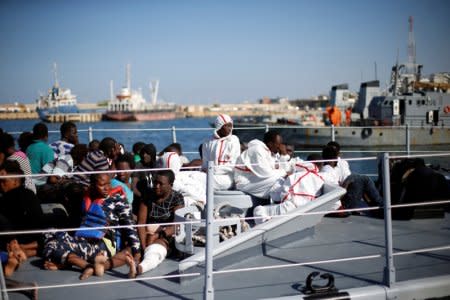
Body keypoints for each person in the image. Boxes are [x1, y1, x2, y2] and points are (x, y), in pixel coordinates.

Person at [42, 173, 141, 280]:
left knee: (53, 248)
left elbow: (129, 227)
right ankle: (86, 266)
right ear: (92, 185)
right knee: (48, 233)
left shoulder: (118, 199)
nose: (106, 188)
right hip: (83, 239)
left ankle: (80, 264)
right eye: (102, 185)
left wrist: (137, 252)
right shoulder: (86, 197)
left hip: (104, 243)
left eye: (108, 184)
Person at [130, 169, 184, 276]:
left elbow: (177, 224)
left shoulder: (177, 198)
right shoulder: (147, 195)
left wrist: (159, 235)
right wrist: (143, 246)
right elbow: (141, 223)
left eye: (161, 184)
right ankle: (103, 265)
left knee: (156, 249)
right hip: (145, 234)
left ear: (170, 185)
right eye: (155, 182)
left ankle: (140, 268)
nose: (156, 186)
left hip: (166, 235)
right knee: (131, 249)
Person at [234, 131, 291, 202]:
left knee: (283, 181)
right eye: (278, 144)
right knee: (278, 180)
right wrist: (284, 174)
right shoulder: (257, 150)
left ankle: (282, 203)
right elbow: (266, 173)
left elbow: (284, 169)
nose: (280, 146)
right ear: (270, 144)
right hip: (244, 183)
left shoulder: (272, 152)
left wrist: (284, 155)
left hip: (256, 179)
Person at [202, 114, 241, 190]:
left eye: (231, 126)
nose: (230, 129)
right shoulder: (208, 141)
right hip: (210, 175)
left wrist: (214, 170)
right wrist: (207, 170)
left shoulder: (234, 140)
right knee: (191, 176)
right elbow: (205, 162)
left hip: (228, 178)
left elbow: (233, 165)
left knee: (197, 179)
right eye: (227, 126)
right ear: (219, 126)